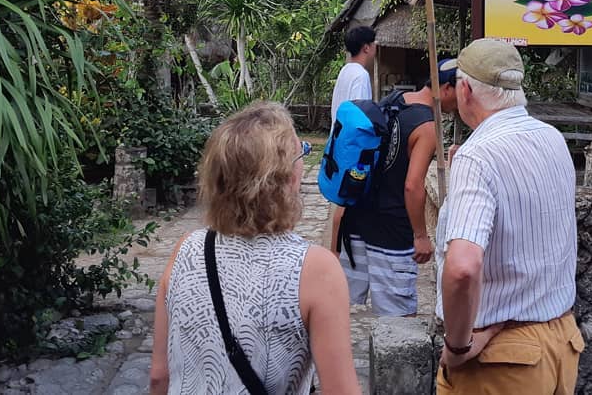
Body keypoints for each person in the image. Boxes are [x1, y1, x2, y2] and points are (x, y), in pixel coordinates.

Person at [149, 102, 361, 395]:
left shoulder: (185, 250)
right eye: (300, 154)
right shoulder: (315, 269)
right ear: (287, 177)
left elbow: (159, 377)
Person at [435, 39, 584, 394]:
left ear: (465, 89)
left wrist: (458, 347)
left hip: (503, 360)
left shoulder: (478, 155)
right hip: (561, 341)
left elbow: (462, 267)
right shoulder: (552, 139)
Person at [339, 60, 459, 316]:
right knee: (400, 321)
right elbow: (412, 186)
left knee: (345, 310)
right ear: (447, 88)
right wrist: (421, 236)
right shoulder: (426, 127)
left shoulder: (396, 98)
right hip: (391, 234)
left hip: (358, 220)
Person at [327, 26, 376, 258]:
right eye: (373, 45)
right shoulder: (360, 75)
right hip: (352, 145)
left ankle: (337, 252)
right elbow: (361, 114)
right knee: (345, 201)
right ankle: (336, 255)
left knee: (342, 200)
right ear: (366, 47)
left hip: (339, 139)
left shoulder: (346, 71)